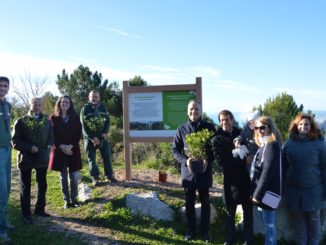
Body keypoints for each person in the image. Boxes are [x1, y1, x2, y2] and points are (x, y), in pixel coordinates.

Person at [172, 100, 216, 242]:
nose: (193, 112)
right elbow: (175, 150)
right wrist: (186, 160)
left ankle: (205, 230)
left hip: (204, 171)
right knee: (189, 202)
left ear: (201, 111)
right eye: (191, 109)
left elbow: (214, 150)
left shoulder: (209, 128)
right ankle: (190, 229)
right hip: (188, 172)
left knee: (205, 201)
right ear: (187, 112)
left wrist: (207, 160)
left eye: (196, 109)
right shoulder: (181, 129)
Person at [282, 114, 326, 245]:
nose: (303, 127)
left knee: (313, 220)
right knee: (299, 221)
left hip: (314, 191)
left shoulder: (319, 144)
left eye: (306, 124)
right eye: (300, 124)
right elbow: (283, 166)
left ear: (311, 126)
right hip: (293, 191)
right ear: (296, 126)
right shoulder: (289, 143)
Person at [211, 110, 253, 245]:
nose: (225, 122)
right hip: (230, 180)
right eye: (222, 120)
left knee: (248, 210)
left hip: (246, 178)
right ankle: (230, 237)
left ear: (233, 120)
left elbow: (251, 149)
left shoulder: (241, 134)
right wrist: (243, 161)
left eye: (227, 119)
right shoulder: (216, 139)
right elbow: (223, 162)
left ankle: (248, 238)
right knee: (231, 211)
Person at [12, 97, 54, 224]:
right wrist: (30, 148)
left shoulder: (46, 121)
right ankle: (26, 214)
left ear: (42, 106)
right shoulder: (21, 121)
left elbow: (51, 137)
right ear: (30, 105)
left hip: (42, 157)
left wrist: (49, 145)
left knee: (43, 184)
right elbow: (14, 141)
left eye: (39, 104)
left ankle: (39, 209)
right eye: (34, 104)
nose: (37, 106)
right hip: (26, 158)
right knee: (26, 186)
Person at [251, 116, 283, 245]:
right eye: (256, 128)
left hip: (267, 193)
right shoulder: (264, 145)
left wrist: (257, 195)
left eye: (262, 127)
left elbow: (267, 172)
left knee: (269, 228)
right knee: (267, 226)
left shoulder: (271, 145)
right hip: (265, 192)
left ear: (270, 128)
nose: (259, 131)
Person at [49, 96, 82, 209]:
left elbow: (78, 133)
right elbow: (51, 135)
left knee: (74, 176)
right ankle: (66, 201)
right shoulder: (53, 118)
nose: (64, 104)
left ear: (70, 104)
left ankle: (75, 199)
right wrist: (61, 146)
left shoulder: (75, 117)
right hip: (59, 150)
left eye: (67, 102)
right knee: (63, 176)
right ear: (59, 104)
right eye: (62, 102)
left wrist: (70, 146)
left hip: (73, 150)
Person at [80, 90, 117, 186]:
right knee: (91, 158)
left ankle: (109, 175)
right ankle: (95, 178)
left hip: (102, 137)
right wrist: (92, 138)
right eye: (92, 96)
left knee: (107, 156)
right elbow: (83, 126)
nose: (94, 98)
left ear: (99, 98)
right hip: (90, 139)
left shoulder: (103, 108)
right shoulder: (85, 109)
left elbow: (108, 121)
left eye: (96, 96)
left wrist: (105, 133)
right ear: (89, 97)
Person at [0, 76, 13, 244]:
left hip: (7, 150)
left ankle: (3, 221)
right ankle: (1, 232)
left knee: (8, 187)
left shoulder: (8, 105)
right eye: (0, 85)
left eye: (5, 86)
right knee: (1, 191)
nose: (2, 88)